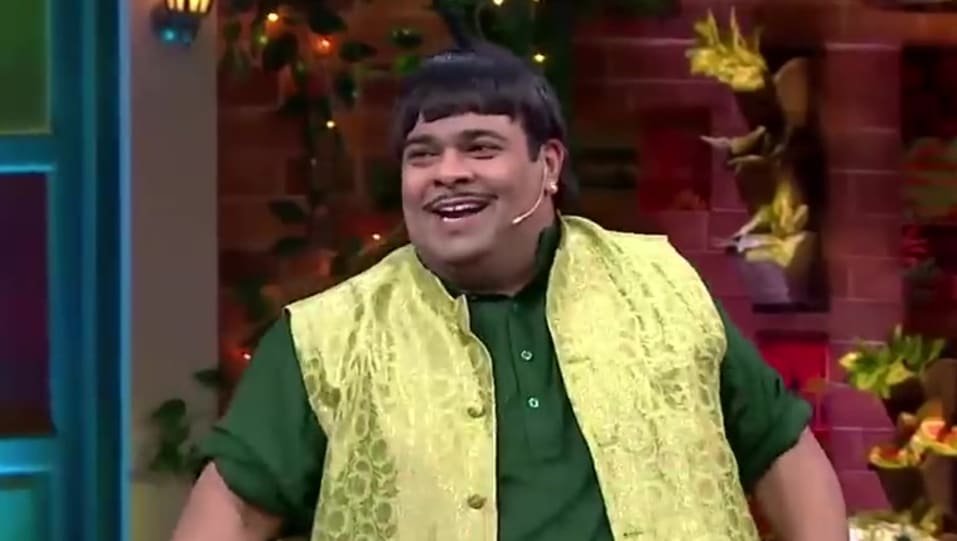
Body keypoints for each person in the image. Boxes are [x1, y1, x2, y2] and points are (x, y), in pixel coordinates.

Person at [172, 44, 847, 541]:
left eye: (479, 147)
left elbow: (781, 450)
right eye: (422, 154)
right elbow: (231, 508)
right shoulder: (329, 336)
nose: (447, 172)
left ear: (547, 165)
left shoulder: (659, 282)